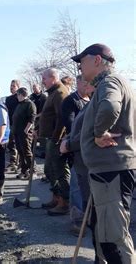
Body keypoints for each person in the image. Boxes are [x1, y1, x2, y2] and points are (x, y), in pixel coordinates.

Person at [72, 43, 136, 263]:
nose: (80, 67)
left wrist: (99, 133)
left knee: (113, 238)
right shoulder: (108, 84)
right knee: (102, 232)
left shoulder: (110, 82)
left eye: (82, 61)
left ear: (97, 60)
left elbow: (110, 107)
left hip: (112, 171)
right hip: (107, 171)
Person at [60, 78, 94, 237]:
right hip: (78, 150)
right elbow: (71, 124)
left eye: (89, 83)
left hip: (93, 154)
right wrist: (69, 142)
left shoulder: (94, 101)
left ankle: (90, 219)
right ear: (78, 84)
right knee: (77, 187)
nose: (87, 85)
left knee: (88, 188)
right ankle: (77, 221)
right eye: (84, 83)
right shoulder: (71, 101)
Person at [38, 68, 70, 216]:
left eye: (44, 79)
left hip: (57, 140)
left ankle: (64, 202)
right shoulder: (52, 93)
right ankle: (56, 197)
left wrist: (57, 139)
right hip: (50, 138)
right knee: (49, 170)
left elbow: (62, 118)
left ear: (52, 78)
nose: (42, 82)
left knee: (59, 171)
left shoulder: (60, 93)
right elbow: (48, 116)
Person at [12, 87, 36, 180]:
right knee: (20, 152)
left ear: (22, 95)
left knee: (27, 152)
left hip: (25, 132)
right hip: (17, 132)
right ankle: (24, 170)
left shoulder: (29, 104)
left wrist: (27, 129)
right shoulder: (20, 104)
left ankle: (32, 171)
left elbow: (32, 117)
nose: (17, 96)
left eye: (18, 94)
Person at [5, 80, 20, 173]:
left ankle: (17, 163)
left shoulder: (20, 98)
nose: (12, 87)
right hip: (10, 123)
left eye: (14, 86)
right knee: (11, 143)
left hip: (19, 124)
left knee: (18, 144)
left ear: (18, 87)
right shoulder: (8, 99)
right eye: (11, 86)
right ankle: (13, 162)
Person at [29, 84, 47, 159]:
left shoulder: (44, 97)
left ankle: (44, 151)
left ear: (39, 88)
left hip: (41, 118)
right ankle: (32, 150)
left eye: (35, 87)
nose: (34, 89)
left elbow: (44, 109)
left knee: (41, 134)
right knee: (32, 134)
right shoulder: (31, 97)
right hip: (33, 118)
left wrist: (37, 116)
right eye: (33, 88)